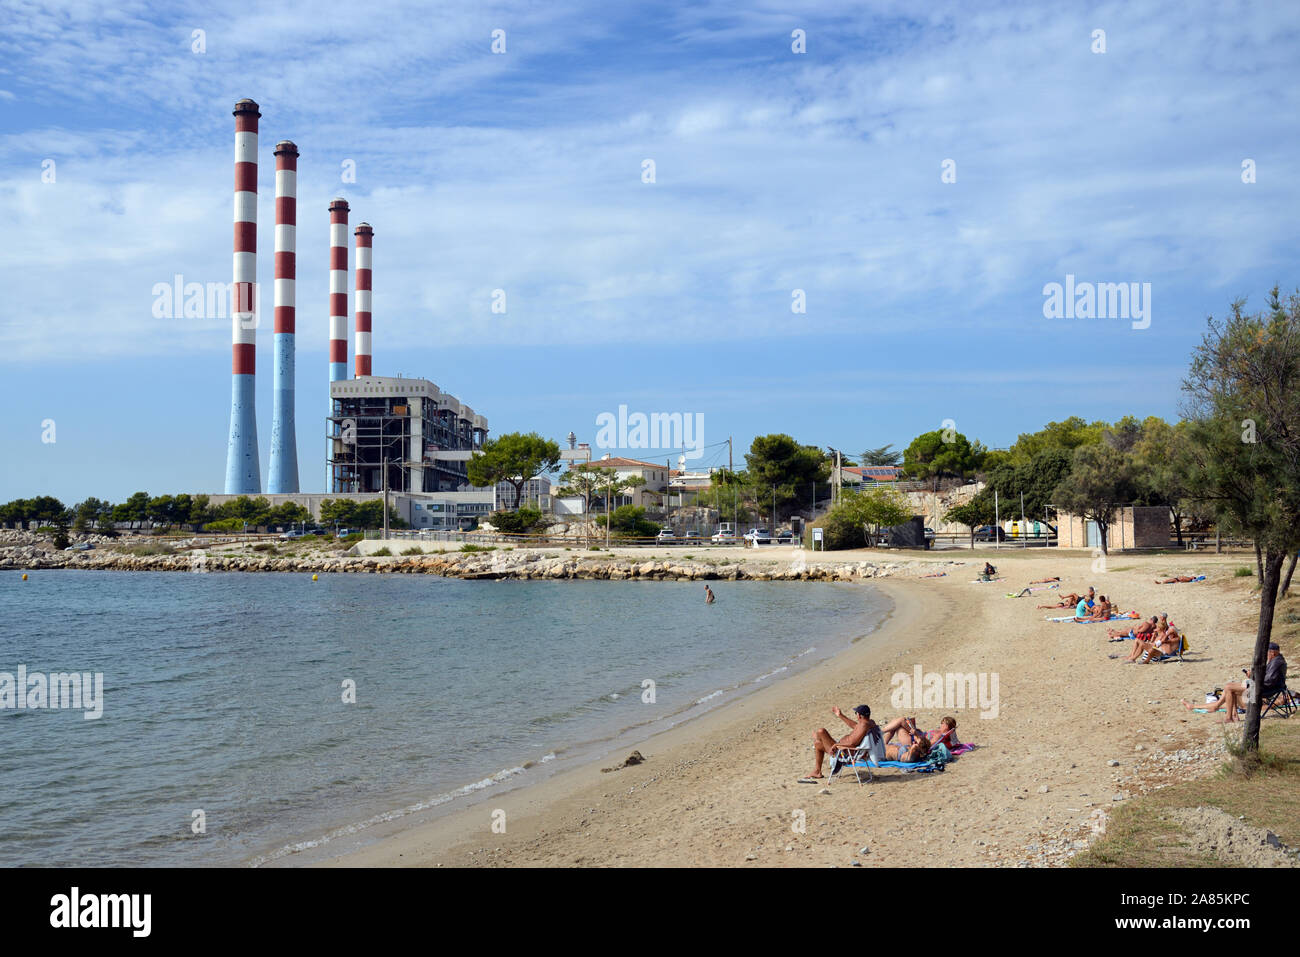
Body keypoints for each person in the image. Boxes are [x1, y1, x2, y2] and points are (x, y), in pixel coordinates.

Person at [1182, 644, 1287, 722]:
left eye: (1267, 652)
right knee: (1229, 687)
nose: (1266, 655)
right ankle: (1232, 714)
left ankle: (1228, 716)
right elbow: (1268, 679)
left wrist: (1253, 677)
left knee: (1229, 688)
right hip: (1264, 687)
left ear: (1273, 653)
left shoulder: (1276, 662)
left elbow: (1268, 681)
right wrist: (1252, 676)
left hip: (1263, 689)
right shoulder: (1276, 661)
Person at [800, 705, 878, 782]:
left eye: (856, 713)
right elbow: (855, 726)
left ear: (859, 715)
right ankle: (817, 771)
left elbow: (852, 743)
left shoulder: (863, 725)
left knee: (821, 731)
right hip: (844, 749)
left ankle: (817, 737)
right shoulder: (867, 723)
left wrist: (836, 745)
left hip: (844, 752)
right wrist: (840, 715)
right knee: (817, 744)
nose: (856, 715)